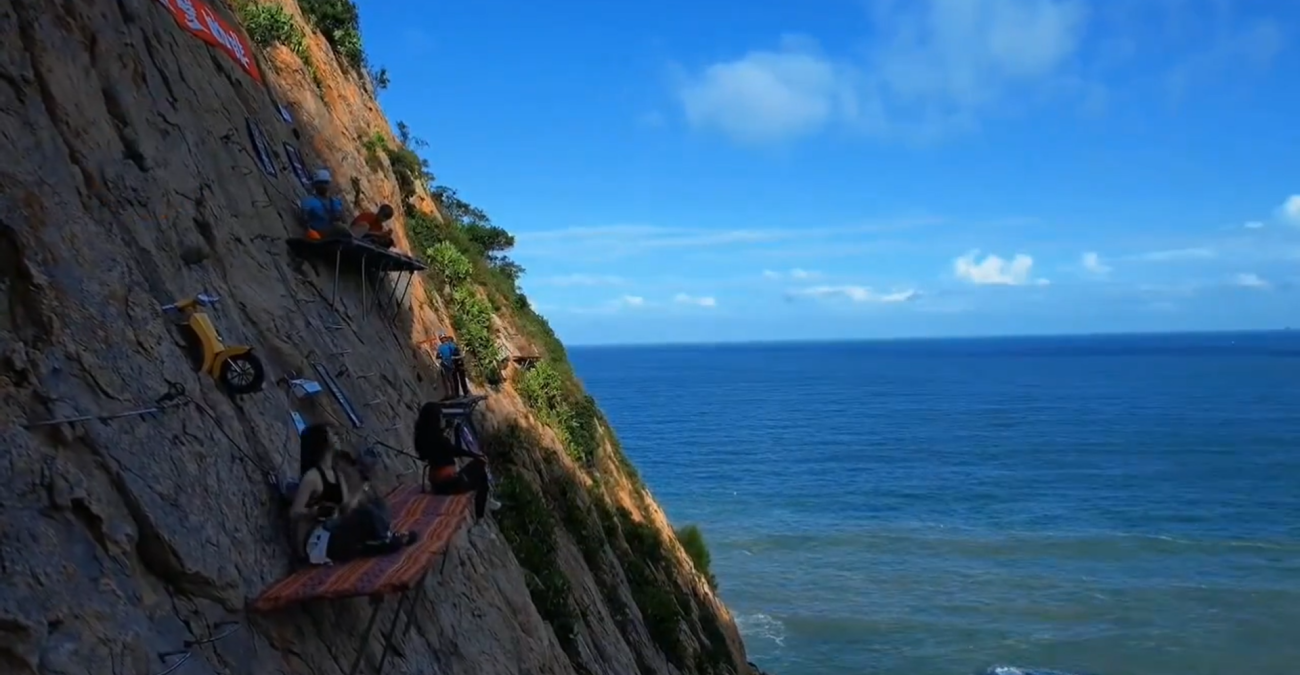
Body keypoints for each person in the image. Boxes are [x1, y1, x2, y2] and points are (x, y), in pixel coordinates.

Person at [289, 424, 415, 564]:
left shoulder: (336, 474)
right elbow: (294, 513)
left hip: (334, 529)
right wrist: (313, 512)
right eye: (332, 435)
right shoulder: (312, 477)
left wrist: (363, 482)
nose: (337, 437)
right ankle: (385, 539)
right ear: (322, 442)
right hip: (318, 542)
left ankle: (383, 537)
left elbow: (347, 507)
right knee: (367, 514)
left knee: (377, 503)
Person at [413, 402, 497, 520]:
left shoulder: (423, 436)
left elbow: (435, 452)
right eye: (440, 416)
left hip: (436, 481)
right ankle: (480, 515)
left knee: (478, 467)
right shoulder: (439, 439)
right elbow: (454, 451)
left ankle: (485, 502)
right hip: (448, 484)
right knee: (480, 470)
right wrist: (474, 455)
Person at [298, 169, 350, 241]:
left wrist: (340, 216)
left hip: (337, 232)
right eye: (321, 183)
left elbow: (344, 220)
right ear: (315, 185)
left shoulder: (336, 201)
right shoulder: (308, 201)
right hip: (320, 233)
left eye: (325, 183)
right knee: (339, 227)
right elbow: (303, 220)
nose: (324, 185)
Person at [436, 332, 470, 400]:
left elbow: (459, 354)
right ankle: (455, 394)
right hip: (451, 364)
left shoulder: (452, 346)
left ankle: (462, 393)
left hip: (456, 364)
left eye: (445, 339)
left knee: (458, 379)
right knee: (454, 380)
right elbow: (438, 356)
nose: (444, 340)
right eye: (442, 339)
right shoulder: (442, 347)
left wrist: (458, 359)